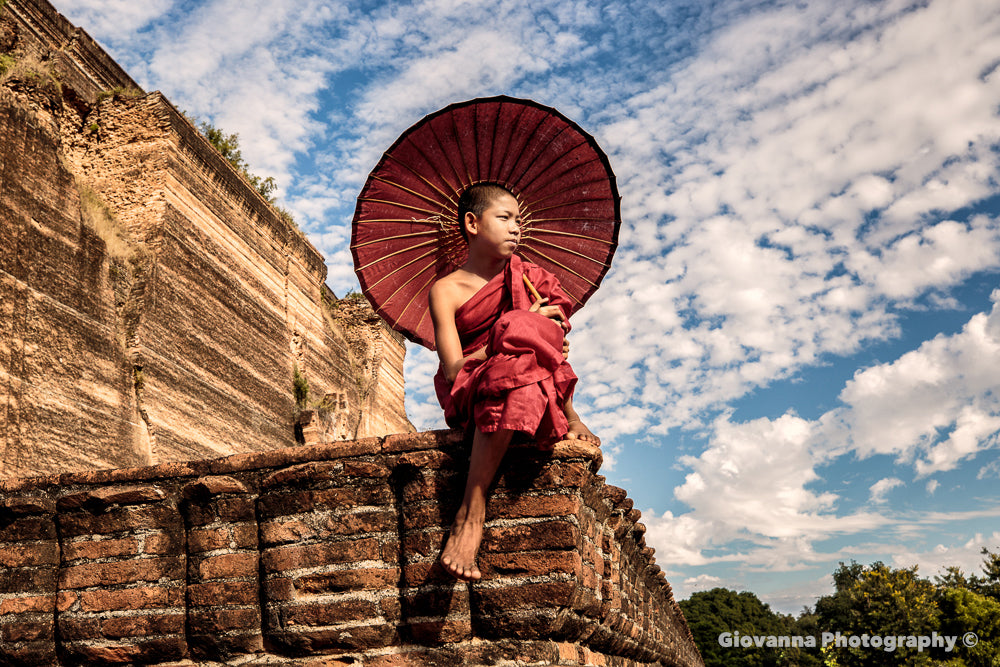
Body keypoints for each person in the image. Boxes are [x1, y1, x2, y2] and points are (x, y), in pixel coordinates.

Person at [428, 182, 600, 582]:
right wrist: (510, 334)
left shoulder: (530, 279)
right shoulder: (446, 290)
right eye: (503, 218)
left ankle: (570, 415)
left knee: (526, 339)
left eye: (518, 220)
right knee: (520, 335)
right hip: (475, 387)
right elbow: (454, 369)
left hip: (533, 383)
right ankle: (471, 512)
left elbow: (551, 345)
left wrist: (538, 330)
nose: (515, 228)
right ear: (472, 223)